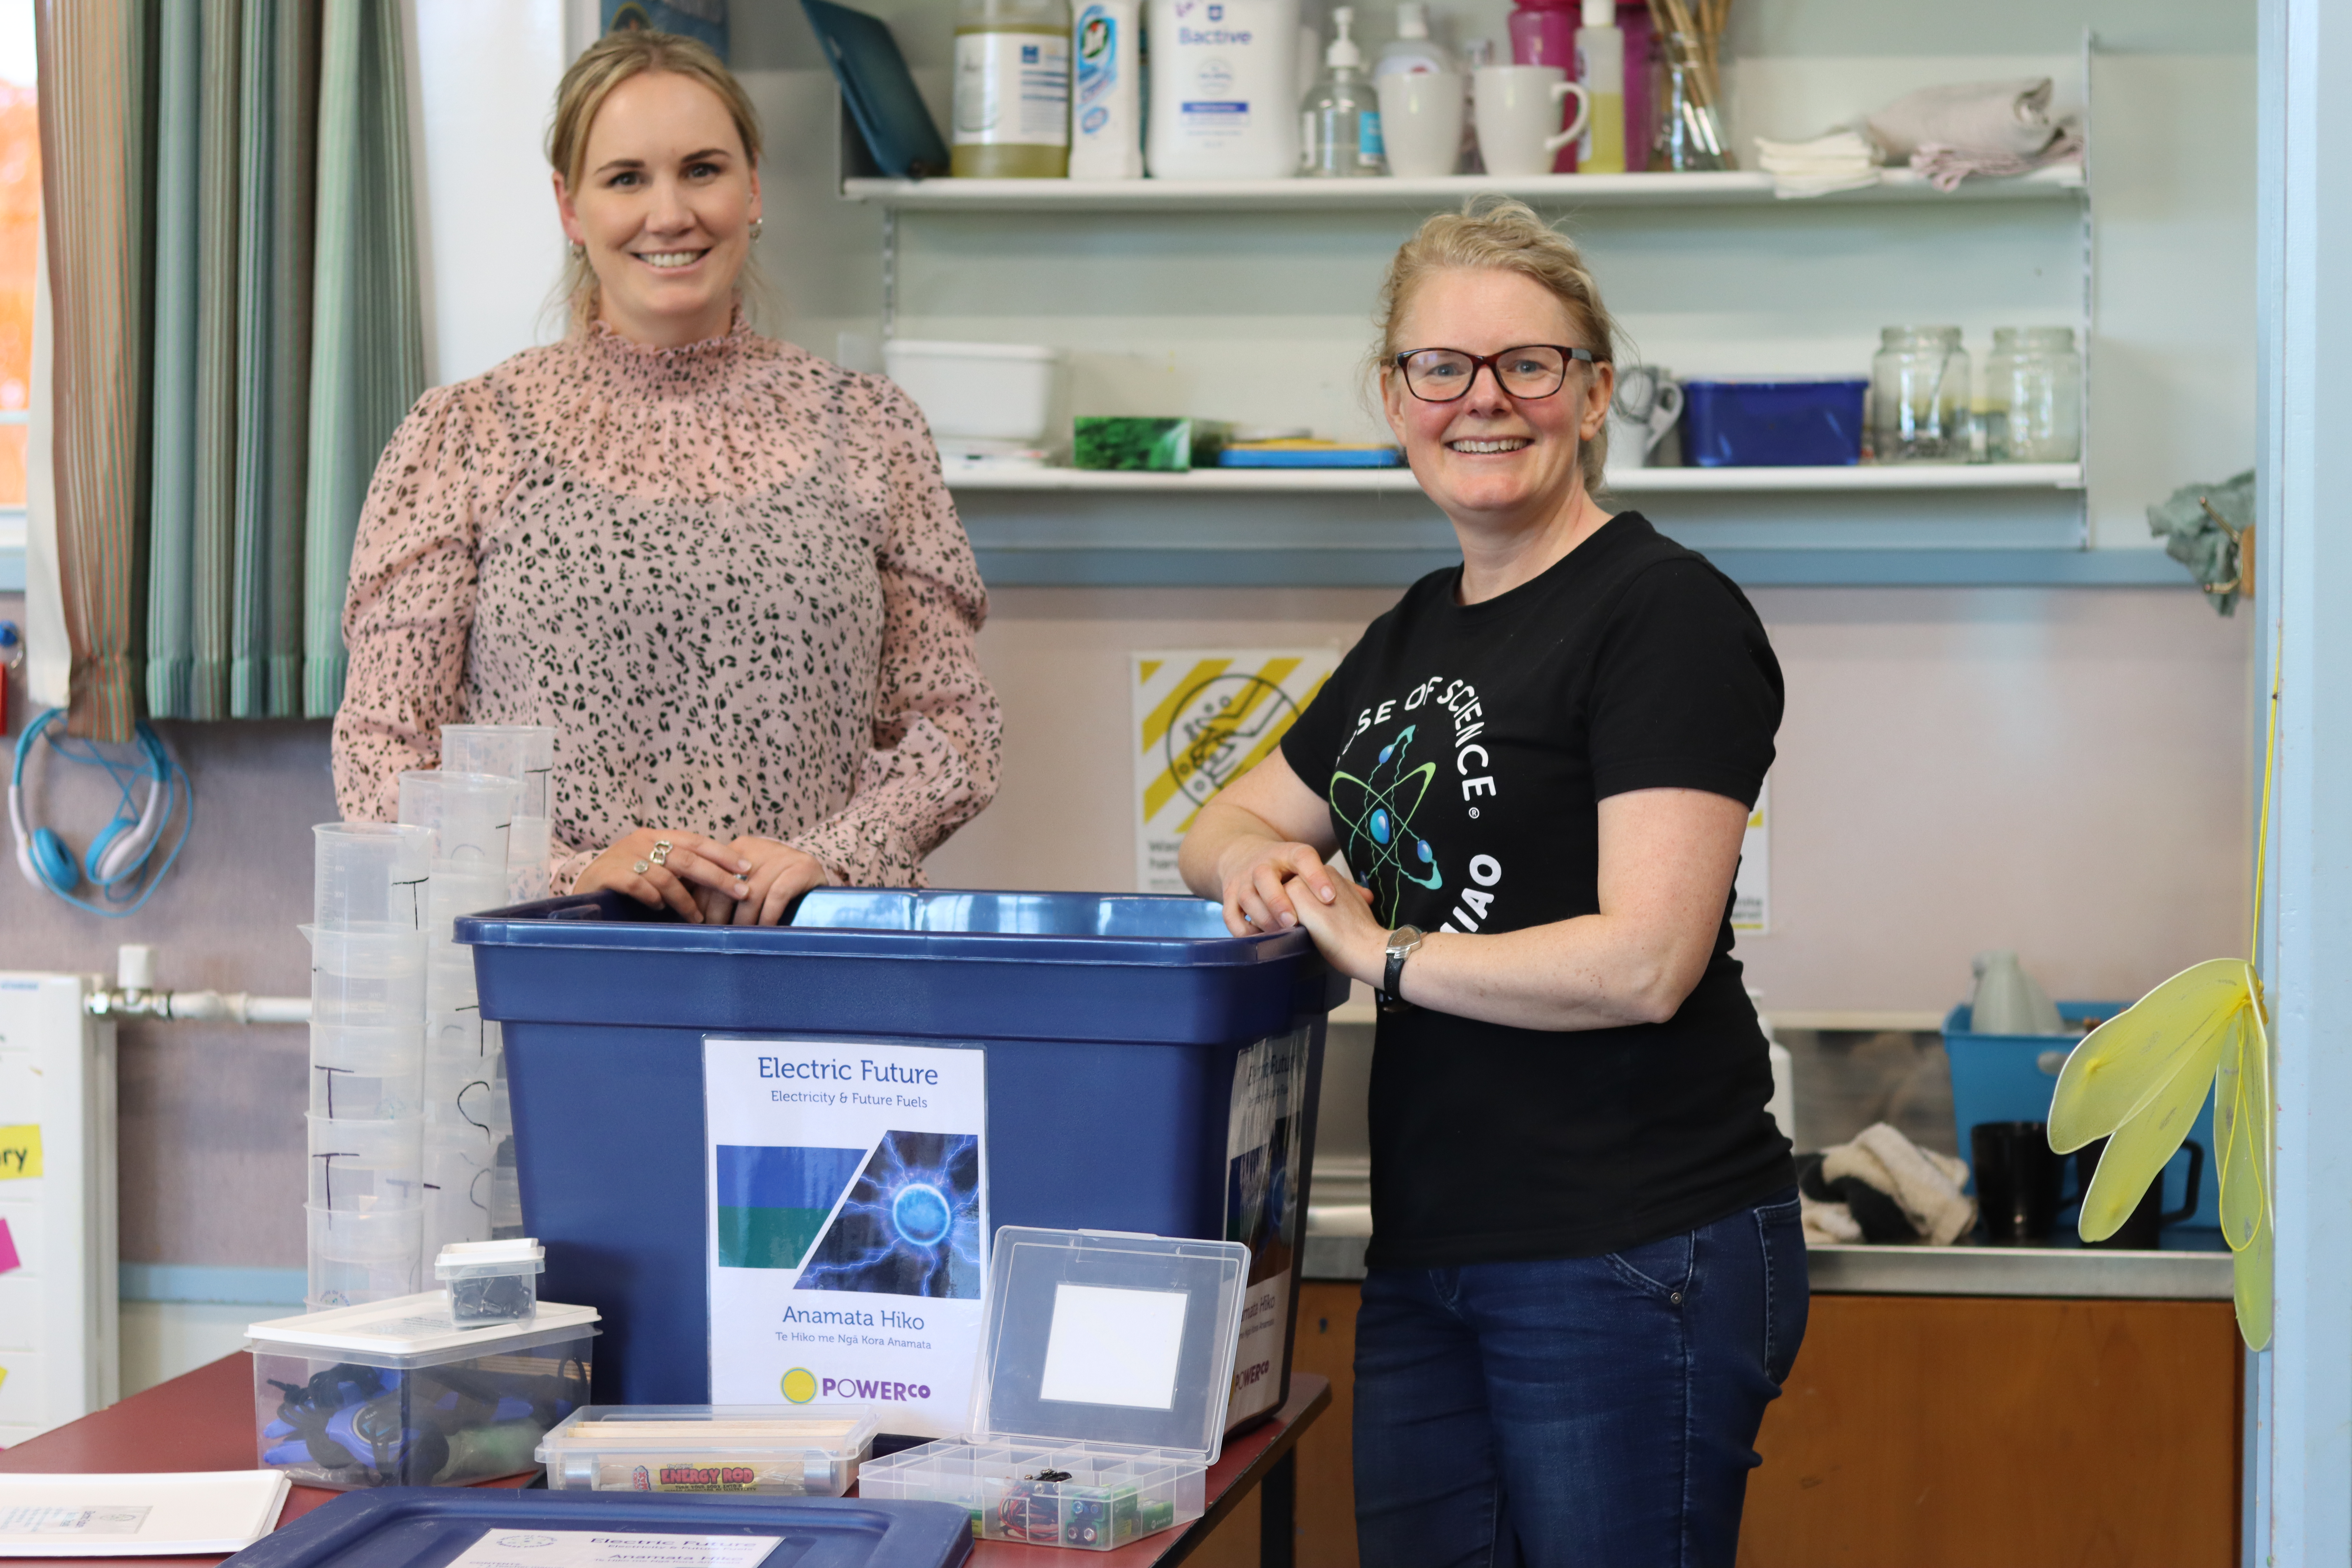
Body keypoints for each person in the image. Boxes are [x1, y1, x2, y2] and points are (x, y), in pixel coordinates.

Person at [1179, 198, 1802, 1566]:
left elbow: (1647, 961)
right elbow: (1218, 821)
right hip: (1436, 1247)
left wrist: (1383, 949)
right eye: (1441, 367)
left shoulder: (1663, 611)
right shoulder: (1414, 626)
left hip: (1632, 1246)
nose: (1484, 400)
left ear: (1591, 393)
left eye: (1530, 364)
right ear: (1392, 396)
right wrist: (1262, 858)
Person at [332, 30, 999, 922]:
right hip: (561, 986)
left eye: (702, 169)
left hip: (816, 974)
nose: (670, 212)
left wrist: (832, 858)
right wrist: (569, 874)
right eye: (626, 179)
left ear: (754, 186)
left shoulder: (872, 431)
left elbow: (954, 729)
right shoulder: (463, 437)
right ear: (570, 208)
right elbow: (384, 764)